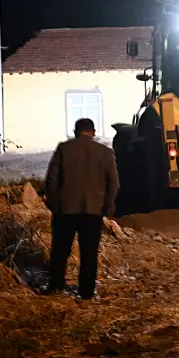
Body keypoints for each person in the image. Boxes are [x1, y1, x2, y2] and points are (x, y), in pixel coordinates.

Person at [42, 118, 119, 300]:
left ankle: (56, 286)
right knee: (89, 254)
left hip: (65, 210)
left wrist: (53, 203)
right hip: (93, 211)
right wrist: (107, 206)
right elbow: (113, 183)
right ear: (93, 132)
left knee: (60, 250)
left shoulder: (64, 149)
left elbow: (51, 180)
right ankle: (86, 292)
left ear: (75, 132)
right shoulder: (105, 152)